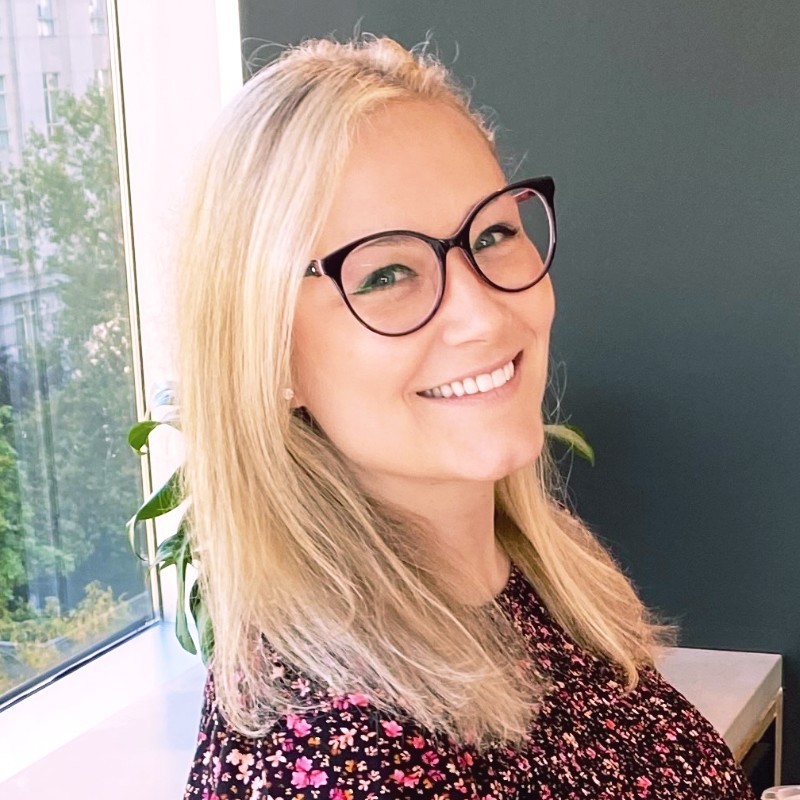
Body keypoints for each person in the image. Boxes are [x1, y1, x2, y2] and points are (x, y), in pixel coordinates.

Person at [177, 36, 755, 799]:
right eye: (387, 273)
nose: (481, 315)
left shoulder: (538, 577)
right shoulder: (341, 756)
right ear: (268, 352)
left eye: (493, 235)